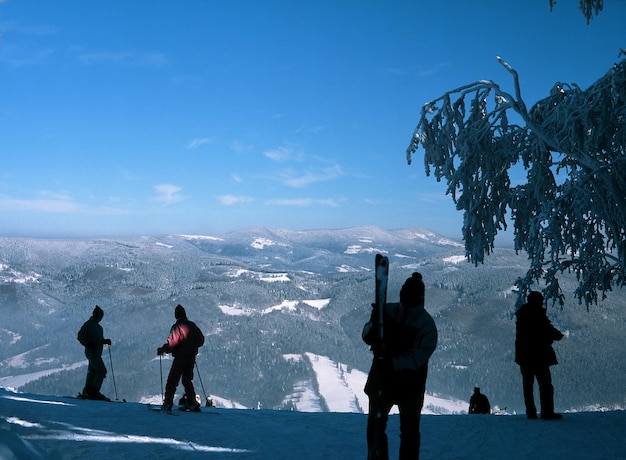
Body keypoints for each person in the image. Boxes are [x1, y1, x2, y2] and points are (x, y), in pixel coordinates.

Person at [362, 272, 438, 460]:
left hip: (406, 385)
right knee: (377, 428)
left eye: (408, 292)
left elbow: (418, 357)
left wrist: (391, 363)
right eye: (404, 291)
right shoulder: (388, 311)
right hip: (388, 381)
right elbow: (366, 337)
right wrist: (373, 326)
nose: (405, 295)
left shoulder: (426, 325)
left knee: (408, 432)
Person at [515, 291, 564, 420]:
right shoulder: (537, 315)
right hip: (539, 357)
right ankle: (547, 412)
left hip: (525, 357)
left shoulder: (522, 315)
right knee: (545, 385)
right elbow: (545, 330)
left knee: (528, 385)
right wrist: (556, 336)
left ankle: (531, 412)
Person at [157, 304, 205, 413]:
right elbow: (201, 340)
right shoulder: (192, 325)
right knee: (187, 380)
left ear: (176, 315)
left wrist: (163, 349)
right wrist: (192, 346)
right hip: (191, 357)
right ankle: (192, 402)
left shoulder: (177, 327)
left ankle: (168, 403)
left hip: (180, 357)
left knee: (172, 381)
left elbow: (172, 344)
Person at [77, 305, 112, 400]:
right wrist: (87, 344)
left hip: (95, 352)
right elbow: (80, 336)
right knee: (101, 371)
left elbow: (97, 339)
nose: (101, 318)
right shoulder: (89, 325)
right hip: (92, 352)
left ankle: (88, 391)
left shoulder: (97, 327)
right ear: (98, 316)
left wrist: (105, 341)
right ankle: (94, 391)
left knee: (92, 372)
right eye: (101, 316)